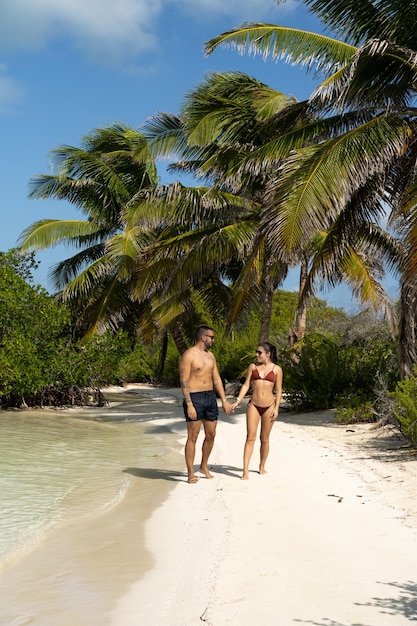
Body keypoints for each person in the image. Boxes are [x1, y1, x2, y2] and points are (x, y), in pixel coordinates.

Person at [179, 325, 233, 483]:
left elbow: (216, 379)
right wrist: (189, 404)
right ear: (203, 337)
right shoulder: (189, 355)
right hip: (194, 397)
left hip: (210, 397)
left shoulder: (211, 356)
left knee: (211, 434)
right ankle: (190, 473)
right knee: (193, 436)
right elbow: (184, 380)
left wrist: (223, 400)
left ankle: (203, 466)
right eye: (212, 337)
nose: (213, 340)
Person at [231, 342, 283, 480]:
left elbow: (278, 390)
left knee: (264, 438)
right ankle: (245, 470)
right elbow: (246, 384)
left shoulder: (277, 370)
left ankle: (261, 466)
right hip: (253, 405)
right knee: (250, 437)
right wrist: (237, 400)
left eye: (259, 353)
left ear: (268, 354)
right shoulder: (253, 367)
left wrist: (276, 408)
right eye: (257, 352)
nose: (256, 355)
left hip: (269, 406)